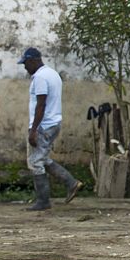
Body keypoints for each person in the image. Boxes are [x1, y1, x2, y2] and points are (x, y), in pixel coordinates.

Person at [20, 47, 82, 211]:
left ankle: (43, 201)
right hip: (54, 123)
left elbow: (41, 105)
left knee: (35, 162)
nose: (25, 67)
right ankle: (71, 182)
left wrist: (33, 130)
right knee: (43, 158)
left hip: (43, 125)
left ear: (33, 60)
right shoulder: (53, 74)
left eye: (26, 63)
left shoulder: (39, 77)